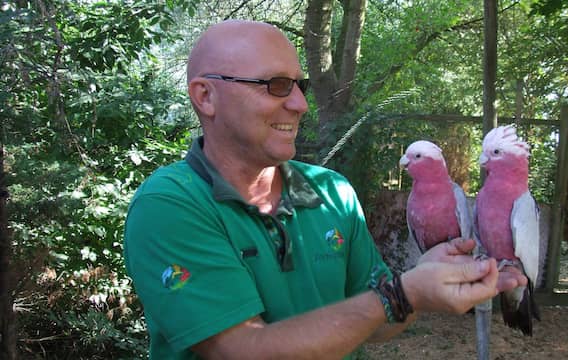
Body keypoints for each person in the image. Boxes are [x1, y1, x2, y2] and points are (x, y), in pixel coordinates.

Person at [124, 19, 527, 359]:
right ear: (205, 96)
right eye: (276, 85)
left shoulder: (333, 193)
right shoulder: (170, 205)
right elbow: (243, 350)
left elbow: (377, 325)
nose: (300, 103)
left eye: (299, 84)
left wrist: (422, 279)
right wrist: (402, 295)